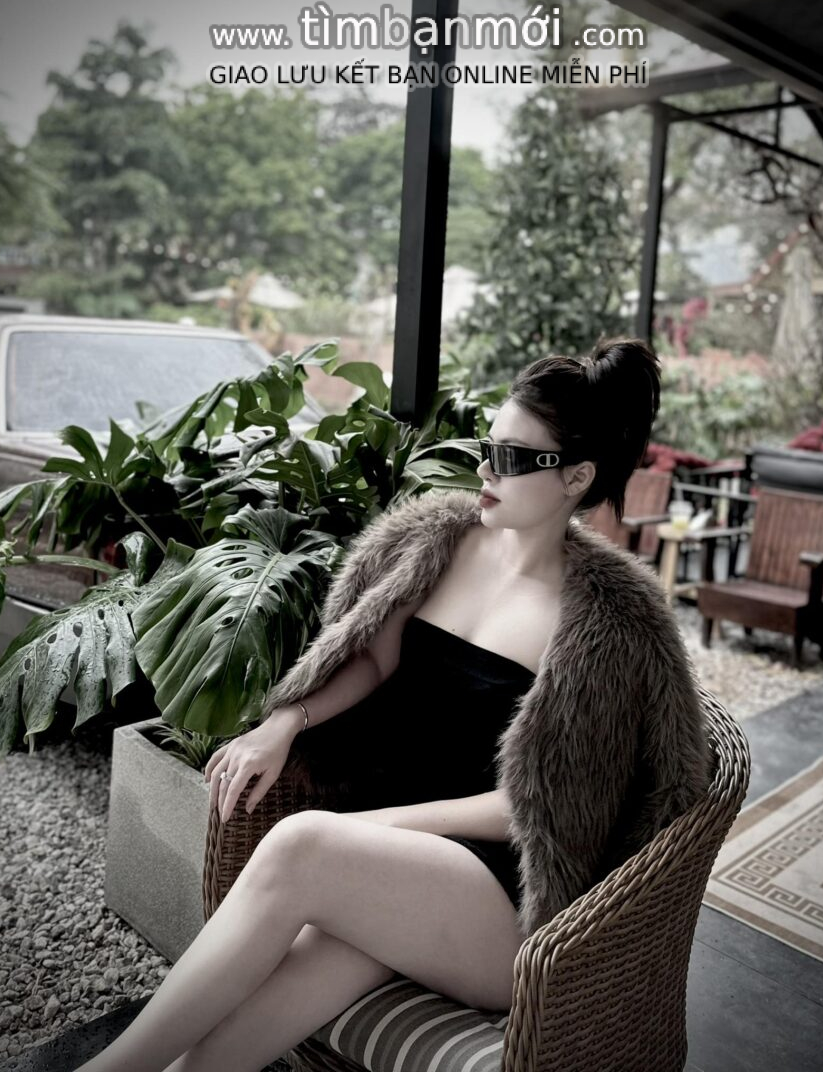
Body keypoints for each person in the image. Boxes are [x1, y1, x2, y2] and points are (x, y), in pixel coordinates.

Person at [76, 336, 712, 1071]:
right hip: (400, 873)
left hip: (500, 903)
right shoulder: (444, 541)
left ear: (576, 476)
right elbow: (373, 659)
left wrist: (371, 826)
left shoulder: (604, 625)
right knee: (227, 1048)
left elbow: (533, 807)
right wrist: (285, 722)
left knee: (301, 845)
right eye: (487, 446)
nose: (485, 469)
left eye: (511, 457)